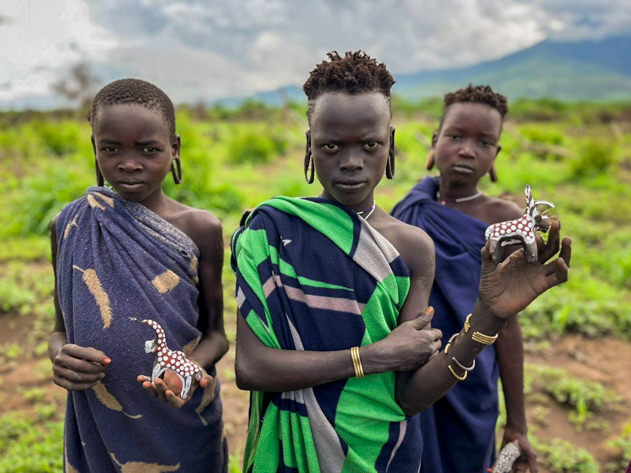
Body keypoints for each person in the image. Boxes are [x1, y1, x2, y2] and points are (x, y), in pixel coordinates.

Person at [232, 52, 571, 473]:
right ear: (309, 145)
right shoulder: (271, 231)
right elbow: (251, 367)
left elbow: (408, 397)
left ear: (389, 143)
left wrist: (488, 317)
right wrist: (371, 357)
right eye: (331, 146)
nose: (352, 162)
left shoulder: (412, 247)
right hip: (288, 454)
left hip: (381, 455)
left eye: (369, 145)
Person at [49, 79, 228, 472]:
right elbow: (59, 330)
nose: (129, 163)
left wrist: (183, 370)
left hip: (181, 419)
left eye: (149, 150)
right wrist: (60, 355)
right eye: (111, 149)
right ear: (94, 149)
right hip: (98, 419)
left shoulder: (200, 229)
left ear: (174, 148)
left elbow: (216, 336)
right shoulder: (70, 225)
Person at [392, 84, 538, 473]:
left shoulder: (502, 218)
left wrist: (517, 422)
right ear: (435, 141)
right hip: (405, 373)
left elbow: (507, 322)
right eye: (456, 136)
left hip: (469, 379)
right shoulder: (408, 207)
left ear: (495, 156)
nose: (468, 150)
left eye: (484, 142)